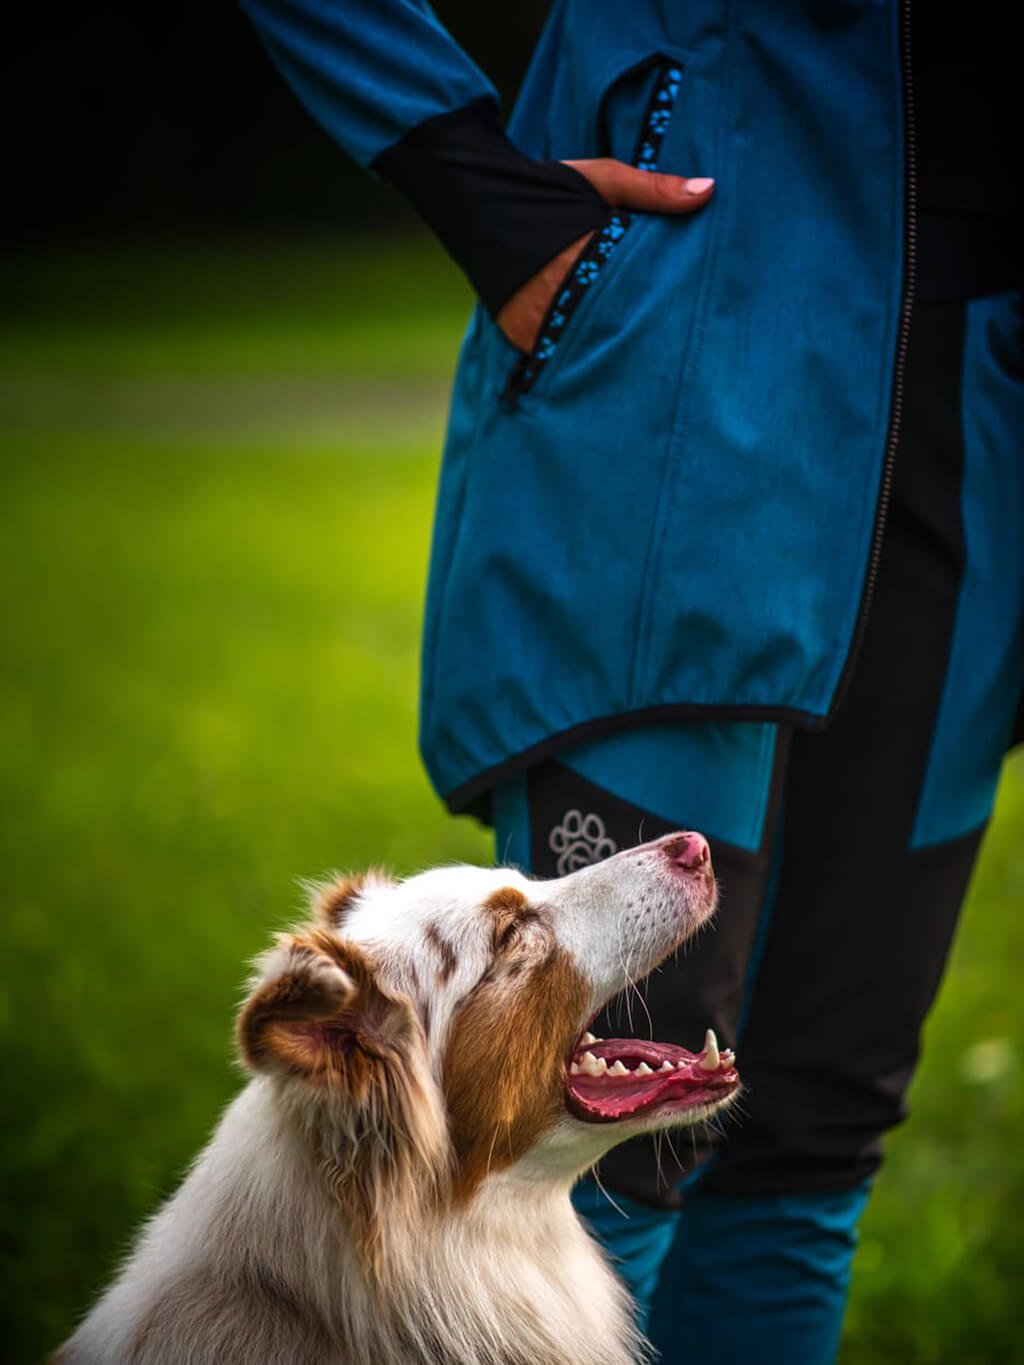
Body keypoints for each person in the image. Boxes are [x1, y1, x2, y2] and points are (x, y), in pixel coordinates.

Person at [238, 1, 1023, 1359]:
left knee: (813, 1124)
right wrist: (474, 184)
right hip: (688, 379)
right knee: (586, 1129)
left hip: (985, 426)